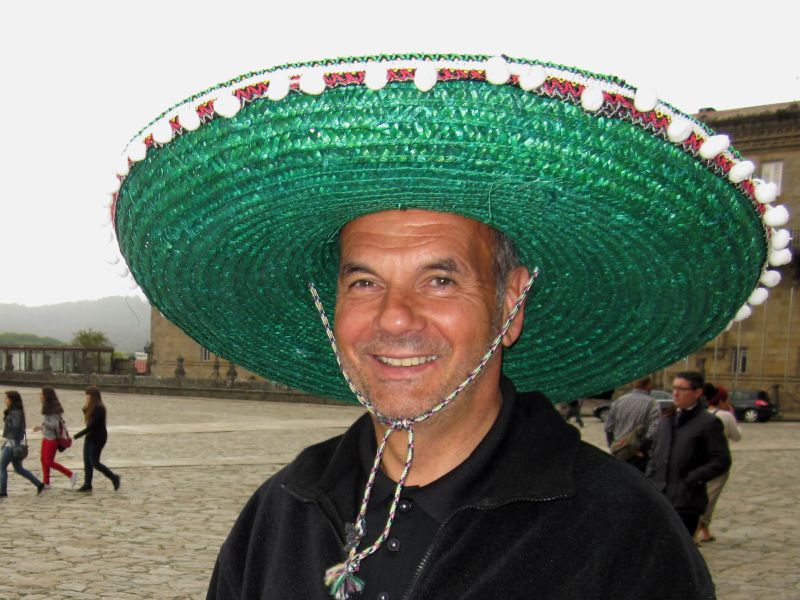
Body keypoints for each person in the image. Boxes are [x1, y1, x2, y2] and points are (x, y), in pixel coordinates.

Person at [109, 53, 782, 599]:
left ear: (511, 304)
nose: (395, 317)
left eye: (440, 280)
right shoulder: (280, 512)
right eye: (364, 282)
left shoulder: (622, 536)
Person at [647, 372, 732, 536]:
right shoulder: (666, 419)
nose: (675, 393)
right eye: (674, 388)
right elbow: (655, 452)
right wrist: (650, 476)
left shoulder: (708, 423)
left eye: (681, 389)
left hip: (686, 501)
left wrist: (693, 477)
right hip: (659, 497)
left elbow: (721, 460)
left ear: (697, 392)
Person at [695, 385, 742, 544]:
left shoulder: (702, 413)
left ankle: (705, 530)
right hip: (717, 461)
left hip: (699, 460)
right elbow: (737, 436)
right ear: (721, 400)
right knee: (710, 497)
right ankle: (696, 529)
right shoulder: (726, 416)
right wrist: (733, 417)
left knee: (701, 494)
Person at [605, 375, 661, 472]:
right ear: (648, 385)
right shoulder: (653, 404)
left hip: (619, 452)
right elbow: (653, 432)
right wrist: (640, 451)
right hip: (639, 457)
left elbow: (608, 428)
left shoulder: (618, 401)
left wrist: (613, 446)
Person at [73, 386, 121, 492]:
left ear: (93, 396)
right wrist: (85, 409)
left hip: (98, 437)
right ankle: (87, 483)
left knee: (94, 462)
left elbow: (92, 426)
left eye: (88, 395)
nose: (86, 397)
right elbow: (88, 422)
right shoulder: (91, 407)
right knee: (87, 461)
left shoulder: (99, 408)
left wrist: (77, 435)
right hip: (90, 436)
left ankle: (114, 477)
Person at [32, 386, 78, 489]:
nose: (40, 396)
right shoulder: (47, 407)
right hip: (46, 437)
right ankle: (46, 483)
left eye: (41, 394)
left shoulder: (53, 410)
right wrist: (41, 427)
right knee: (43, 460)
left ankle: (70, 474)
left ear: (46, 396)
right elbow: (49, 423)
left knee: (49, 461)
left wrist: (44, 423)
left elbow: (55, 425)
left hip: (52, 439)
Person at [1, 390, 45, 496]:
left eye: (7, 398)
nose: (5, 400)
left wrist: (11, 438)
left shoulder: (15, 413)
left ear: (12, 400)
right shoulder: (15, 412)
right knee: (18, 468)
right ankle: (39, 484)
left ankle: (2, 491)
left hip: (12, 445)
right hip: (15, 444)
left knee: (1, 467)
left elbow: (16, 428)